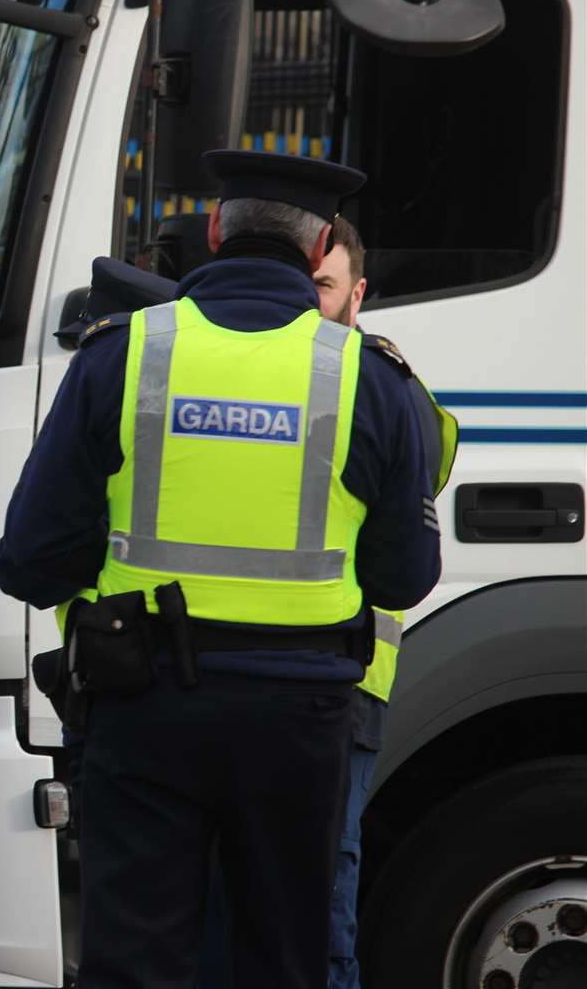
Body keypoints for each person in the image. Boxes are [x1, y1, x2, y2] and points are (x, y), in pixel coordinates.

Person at [0, 151, 442, 989]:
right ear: (321, 258)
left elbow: (29, 561)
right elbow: (403, 578)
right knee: (280, 956)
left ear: (213, 234)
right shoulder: (368, 380)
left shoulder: (122, 355)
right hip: (301, 719)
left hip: (142, 706)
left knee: (134, 957)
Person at [195, 214, 457, 989]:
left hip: (336, 691)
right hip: (227, 679)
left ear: (356, 296)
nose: (304, 302)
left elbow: (406, 546)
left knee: (313, 916)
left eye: (322, 287)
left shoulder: (381, 385)